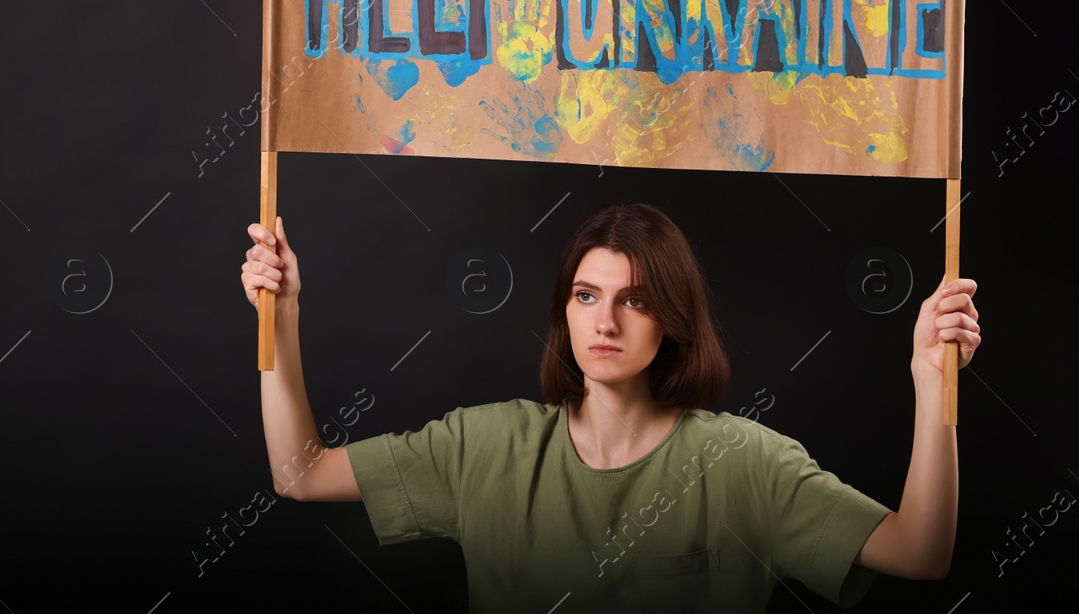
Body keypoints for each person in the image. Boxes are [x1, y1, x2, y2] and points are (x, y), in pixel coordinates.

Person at [240, 202, 981, 613]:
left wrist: (928, 377)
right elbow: (300, 472)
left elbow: (921, 551)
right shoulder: (485, 444)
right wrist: (287, 316)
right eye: (587, 295)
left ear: (673, 320)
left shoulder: (746, 460)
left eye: (636, 299)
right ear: (564, 311)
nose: (606, 321)